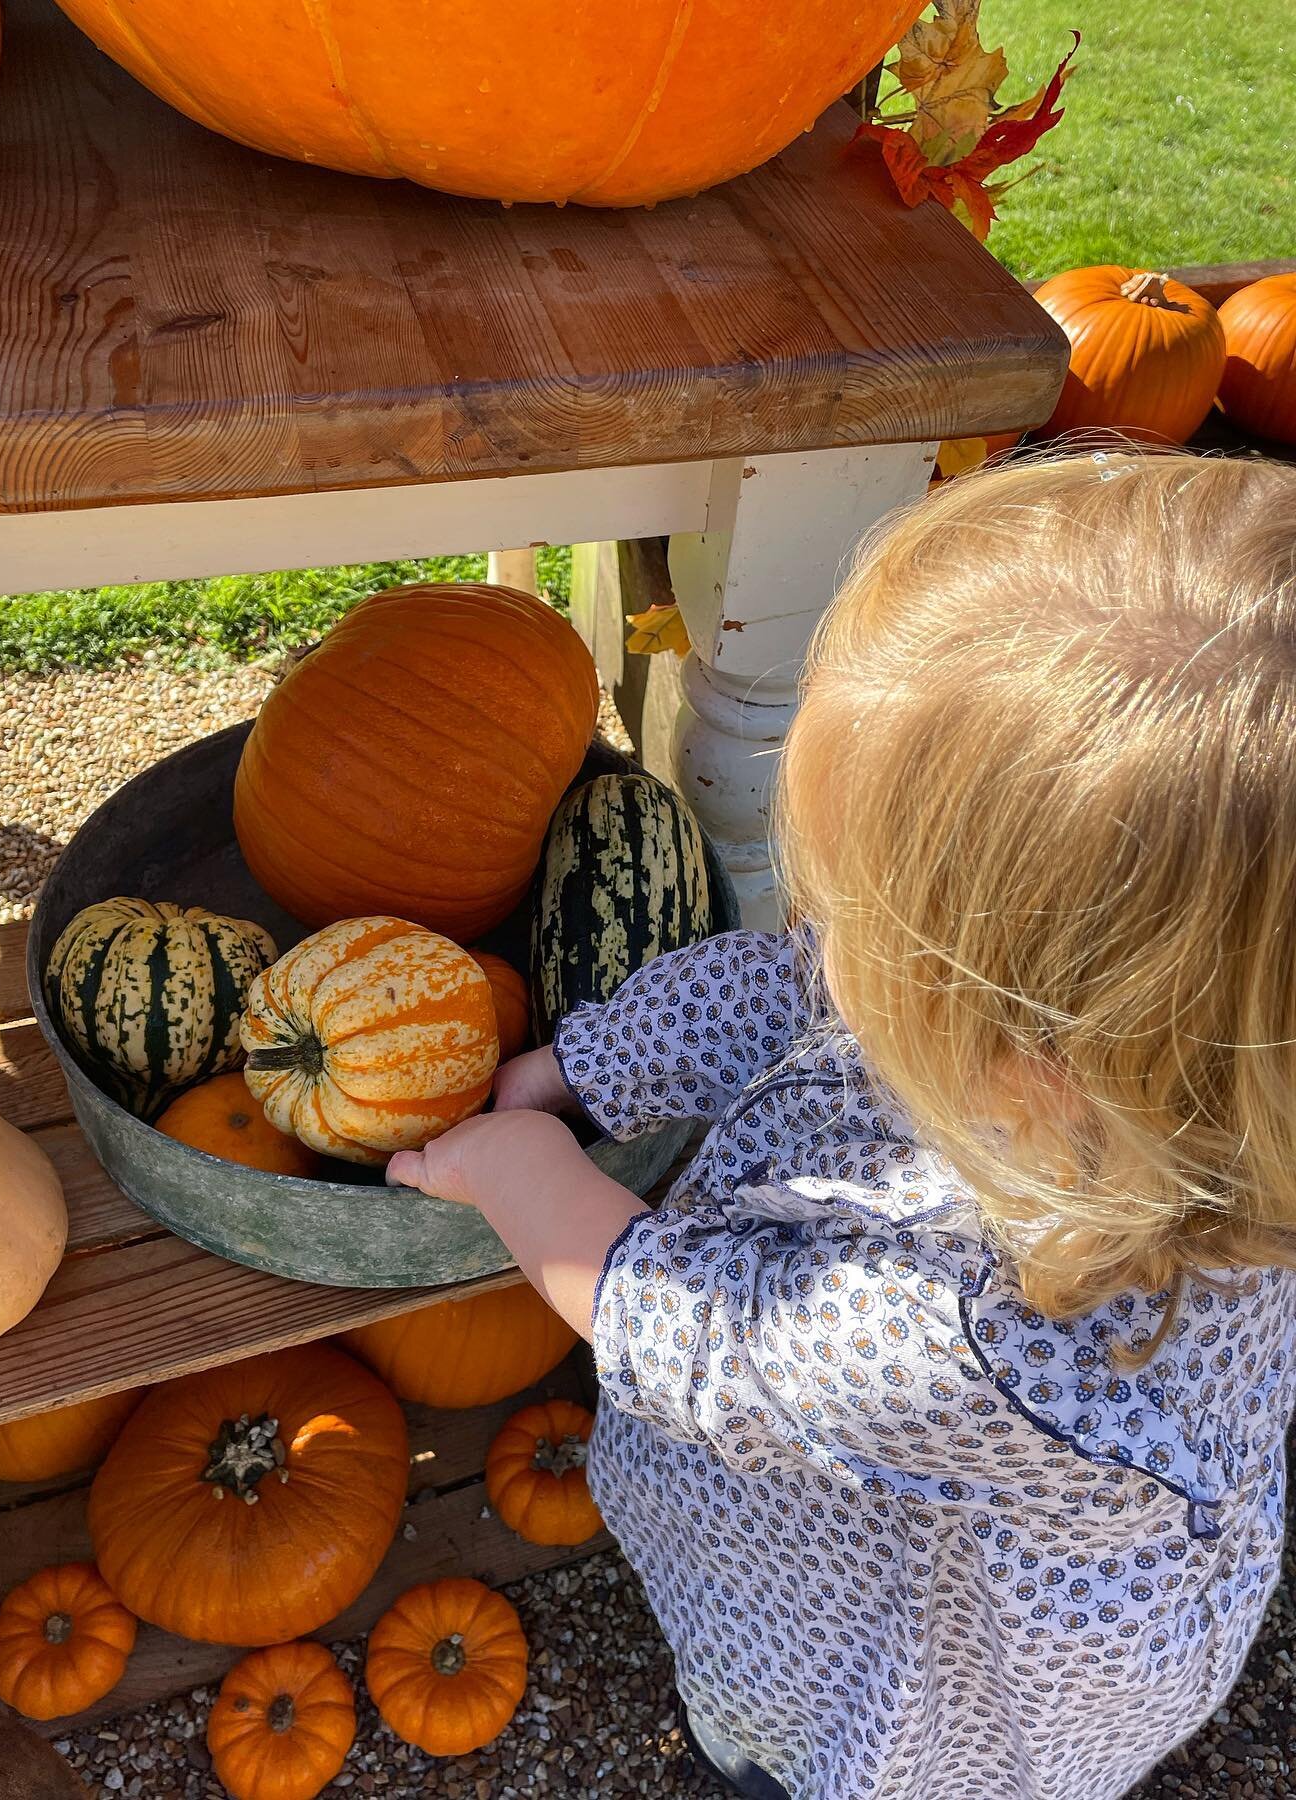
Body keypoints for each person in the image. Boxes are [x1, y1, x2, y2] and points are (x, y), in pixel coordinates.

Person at [387, 452, 1296, 1800]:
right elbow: (789, 988)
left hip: (895, 1673)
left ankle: (756, 1759)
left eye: (857, 916)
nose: (825, 941)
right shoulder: (1153, 1080)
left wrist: (526, 1176)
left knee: (793, 1750)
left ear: (1016, 1052)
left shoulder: (1005, 1339)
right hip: (919, 1505)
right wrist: (600, 1063)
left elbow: (694, 1335)